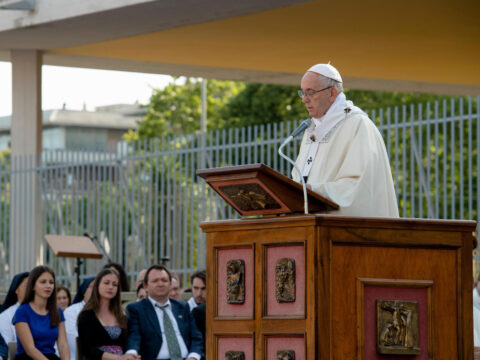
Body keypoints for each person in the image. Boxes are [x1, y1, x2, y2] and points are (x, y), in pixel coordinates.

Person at [292, 63, 399, 217]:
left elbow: (359, 189)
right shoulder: (311, 130)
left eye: (310, 92)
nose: (304, 100)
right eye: (302, 93)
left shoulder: (357, 125)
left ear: (332, 93)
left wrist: (312, 191)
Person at [126, 265, 203, 360]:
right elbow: (134, 337)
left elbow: (196, 337)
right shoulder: (136, 309)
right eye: (155, 281)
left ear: (170, 284)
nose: (160, 284)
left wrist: (193, 356)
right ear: (145, 286)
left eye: (164, 280)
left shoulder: (183, 307)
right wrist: (132, 354)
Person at [77, 269, 139, 360]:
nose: (111, 287)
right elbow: (88, 349)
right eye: (106, 283)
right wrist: (118, 358)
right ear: (97, 285)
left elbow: (127, 342)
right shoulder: (86, 315)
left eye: (115, 284)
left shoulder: (122, 315)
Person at [13, 265, 69, 360]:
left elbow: (63, 344)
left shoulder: (58, 311)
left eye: (51, 282)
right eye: (43, 282)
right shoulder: (22, 312)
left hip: (50, 356)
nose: (48, 286)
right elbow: (30, 349)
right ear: (33, 286)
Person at [64, 277, 95, 360]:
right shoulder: (71, 311)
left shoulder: (107, 311)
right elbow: (74, 341)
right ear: (84, 290)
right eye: (93, 287)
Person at [0, 272, 29, 345]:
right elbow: (8, 347)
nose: (30, 289)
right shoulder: (6, 316)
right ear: (16, 290)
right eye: (26, 286)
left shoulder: (44, 312)